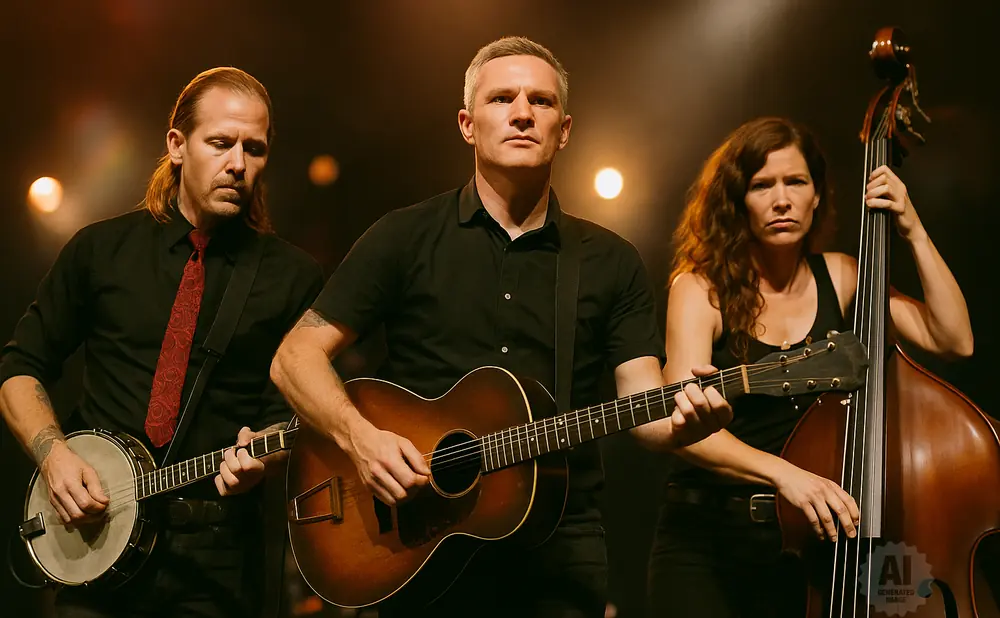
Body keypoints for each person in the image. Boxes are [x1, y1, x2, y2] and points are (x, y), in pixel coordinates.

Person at [270, 36, 731, 618]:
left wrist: (686, 422)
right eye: (501, 99)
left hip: (559, 547)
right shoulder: (403, 237)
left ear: (564, 130)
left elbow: (642, 404)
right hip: (419, 538)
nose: (521, 113)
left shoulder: (610, 260)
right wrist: (360, 439)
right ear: (467, 124)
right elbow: (294, 357)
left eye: (540, 101)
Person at [0, 67, 324, 618]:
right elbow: (20, 367)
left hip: (218, 562)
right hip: (94, 545)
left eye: (255, 148)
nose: (239, 164)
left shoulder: (292, 278)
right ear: (176, 145)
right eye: (220, 143)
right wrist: (52, 454)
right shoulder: (99, 251)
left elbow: (294, 417)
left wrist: (263, 457)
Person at [646, 117, 974, 617]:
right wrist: (786, 475)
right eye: (762, 185)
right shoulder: (699, 290)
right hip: (708, 538)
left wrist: (911, 225)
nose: (782, 200)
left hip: (811, 537)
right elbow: (687, 425)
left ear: (816, 195)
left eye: (796, 182)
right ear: (738, 201)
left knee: (914, 594)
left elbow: (952, 339)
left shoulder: (842, 275)